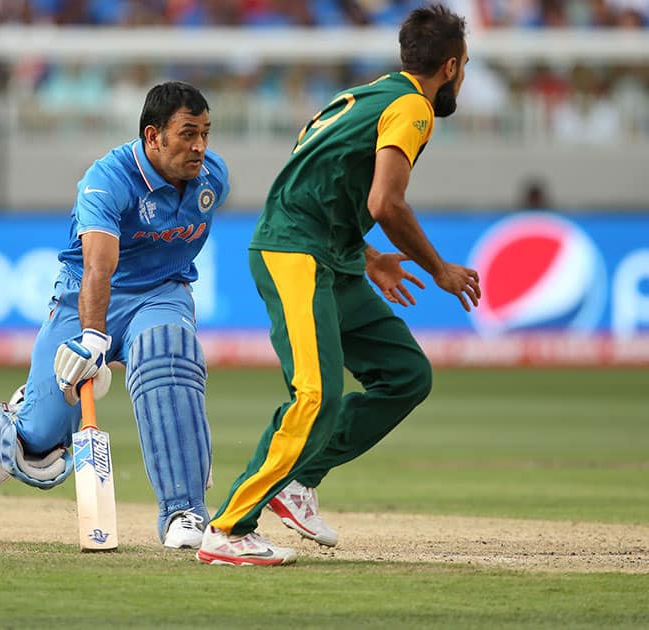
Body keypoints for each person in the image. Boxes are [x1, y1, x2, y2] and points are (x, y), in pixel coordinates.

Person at [197, 4, 481, 566]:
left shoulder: (363, 96)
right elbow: (385, 202)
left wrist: (369, 254)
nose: (463, 77)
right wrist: (439, 268)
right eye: (465, 66)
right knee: (317, 396)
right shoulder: (413, 108)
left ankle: (298, 481)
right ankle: (228, 529)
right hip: (295, 253)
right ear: (449, 67)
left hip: (335, 256)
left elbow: (321, 178)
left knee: (405, 374)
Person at [0, 81, 228, 550]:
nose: (200, 146)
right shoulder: (106, 179)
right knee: (39, 453)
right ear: (153, 137)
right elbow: (99, 266)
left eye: (206, 133)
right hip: (87, 297)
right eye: (188, 134)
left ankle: (184, 509)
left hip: (160, 293)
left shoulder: (213, 177)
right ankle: (22, 420)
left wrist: (179, 415)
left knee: (167, 356)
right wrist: (94, 338)